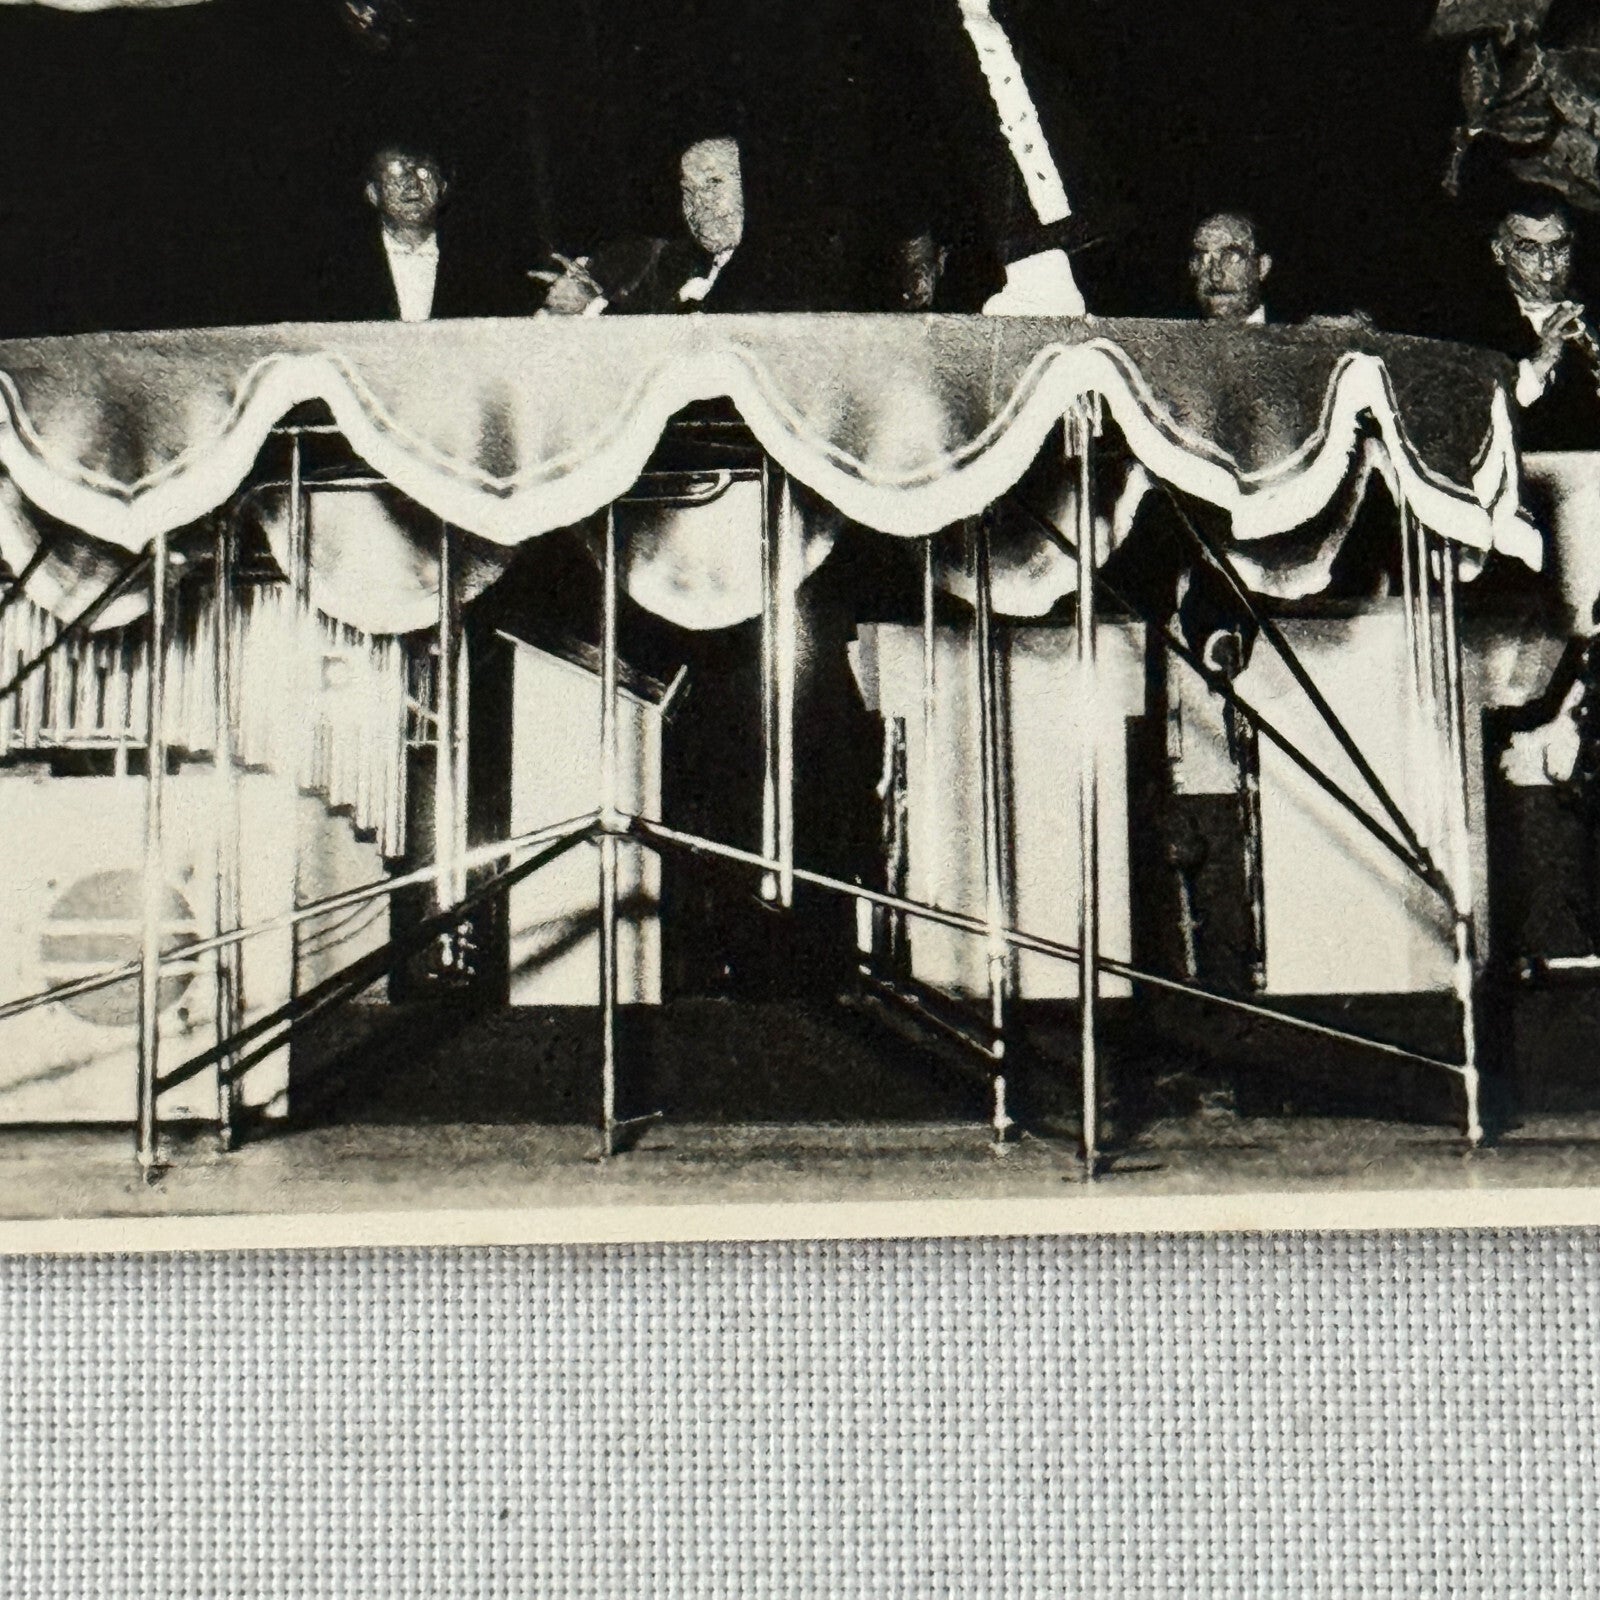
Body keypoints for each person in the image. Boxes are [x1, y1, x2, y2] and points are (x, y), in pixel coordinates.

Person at [535, 136, 756, 316]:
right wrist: (580, 299)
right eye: (689, 190)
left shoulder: (767, 278)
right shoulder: (669, 264)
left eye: (714, 183)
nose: (699, 203)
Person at [1484, 200, 1600, 452]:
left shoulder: (1590, 308)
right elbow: (1481, 419)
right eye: (1528, 248)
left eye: (1558, 247)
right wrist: (1546, 356)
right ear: (1499, 251)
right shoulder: (1481, 321)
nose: (1547, 266)